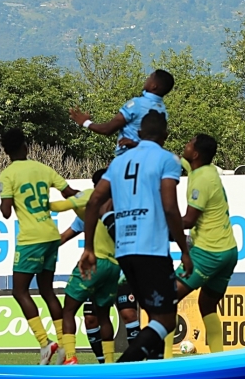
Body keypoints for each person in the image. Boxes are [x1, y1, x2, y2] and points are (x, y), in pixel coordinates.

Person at [80, 110, 192, 362]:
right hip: (151, 249)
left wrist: (88, 247)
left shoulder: (118, 163)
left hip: (124, 251)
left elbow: (94, 201)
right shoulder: (167, 160)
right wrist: (184, 250)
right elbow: (170, 207)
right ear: (165, 134)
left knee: (153, 316)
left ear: (139, 133)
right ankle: (117, 373)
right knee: (165, 319)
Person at [0, 128, 79, 365]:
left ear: (5, 151)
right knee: (47, 291)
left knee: (19, 291)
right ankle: (65, 351)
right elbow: (70, 192)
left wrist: (8, 201)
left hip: (31, 239)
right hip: (51, 236)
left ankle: (45, 344)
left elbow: (5, 212)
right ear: (26, 146)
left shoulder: (7, 175)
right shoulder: (43, 169)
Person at [174, 133, 238, 354]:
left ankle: (161, 363)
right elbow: (174, 159)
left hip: (209, 252)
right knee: (207, 306)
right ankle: (219, 360)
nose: (186, 144)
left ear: (196, 153)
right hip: (228, 251)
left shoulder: (202, 179)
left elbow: (188, 220)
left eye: (189, 142)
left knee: (165, 298)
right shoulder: (203, 169)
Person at [50, 168, 120, 365]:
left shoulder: (90, 198)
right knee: (104, 315)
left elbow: (60, 206)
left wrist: (38, 205)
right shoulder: (121, 204)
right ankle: (108, 362)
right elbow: (67, 235)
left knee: (68, 310)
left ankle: (70, 357)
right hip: (114, 266)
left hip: (94, 263)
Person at [69, 69, 175, 156]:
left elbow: (108, 130)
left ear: (154, 86)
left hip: (128, 155)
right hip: (149, 157)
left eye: (149, 78)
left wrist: (85, 122)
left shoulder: (137, 104)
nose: (146, 79)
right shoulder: (163, 111)